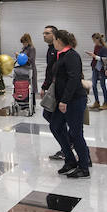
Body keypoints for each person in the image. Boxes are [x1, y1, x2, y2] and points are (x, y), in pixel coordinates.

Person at [49, 29, 91, 178]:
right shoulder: (62, 55)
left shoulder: (72, 56)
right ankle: (70, 159)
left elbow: (73, 80)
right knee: (55, 126)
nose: (52, 42)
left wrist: (64, 101)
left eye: (53, 39)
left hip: (73, 100)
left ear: (59, 40)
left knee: (75, 133)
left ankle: (84, 167)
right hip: (63, 101)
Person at [40, 24, 69, 161]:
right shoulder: (51, 50)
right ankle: (67, 144)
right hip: (52, 88)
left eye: (47, 33)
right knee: (51, 117)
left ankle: (67, 145)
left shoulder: (59, 51)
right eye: (44, 33)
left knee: (53, 120)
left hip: (58, 91)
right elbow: (49, 70)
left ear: (55, 35)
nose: (44, 35)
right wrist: (45, 86)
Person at [87, 33, 107, 110]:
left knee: (103, 86)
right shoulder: (96, 47)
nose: (93, 42)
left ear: (97, 39)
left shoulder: (104, 48)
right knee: (94, 85)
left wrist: (94, 56)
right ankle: (97, 102)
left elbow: (105, 59)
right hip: (95, 68)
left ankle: (106, 103)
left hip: (101, 69)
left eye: (94, 40)